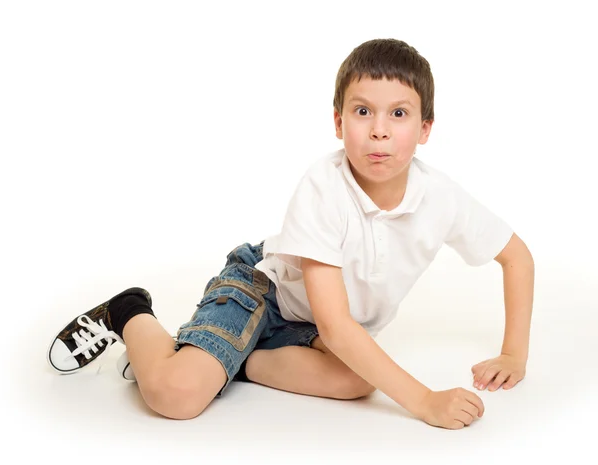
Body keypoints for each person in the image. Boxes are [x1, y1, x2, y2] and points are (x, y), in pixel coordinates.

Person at [47, 38, 535, 430]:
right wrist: (425, 401)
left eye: (399, 114)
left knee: (357, 382)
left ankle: (226, 359)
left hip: (318, 330)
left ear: (426, 128)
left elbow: (517, 258)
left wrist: (514, 352)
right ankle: (129, 312)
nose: (379, 130)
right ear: (339, 122)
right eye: (363, 111)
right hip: (264, 291)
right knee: (176, 397)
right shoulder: (325, 185)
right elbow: (340, 326)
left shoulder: (440, 197)